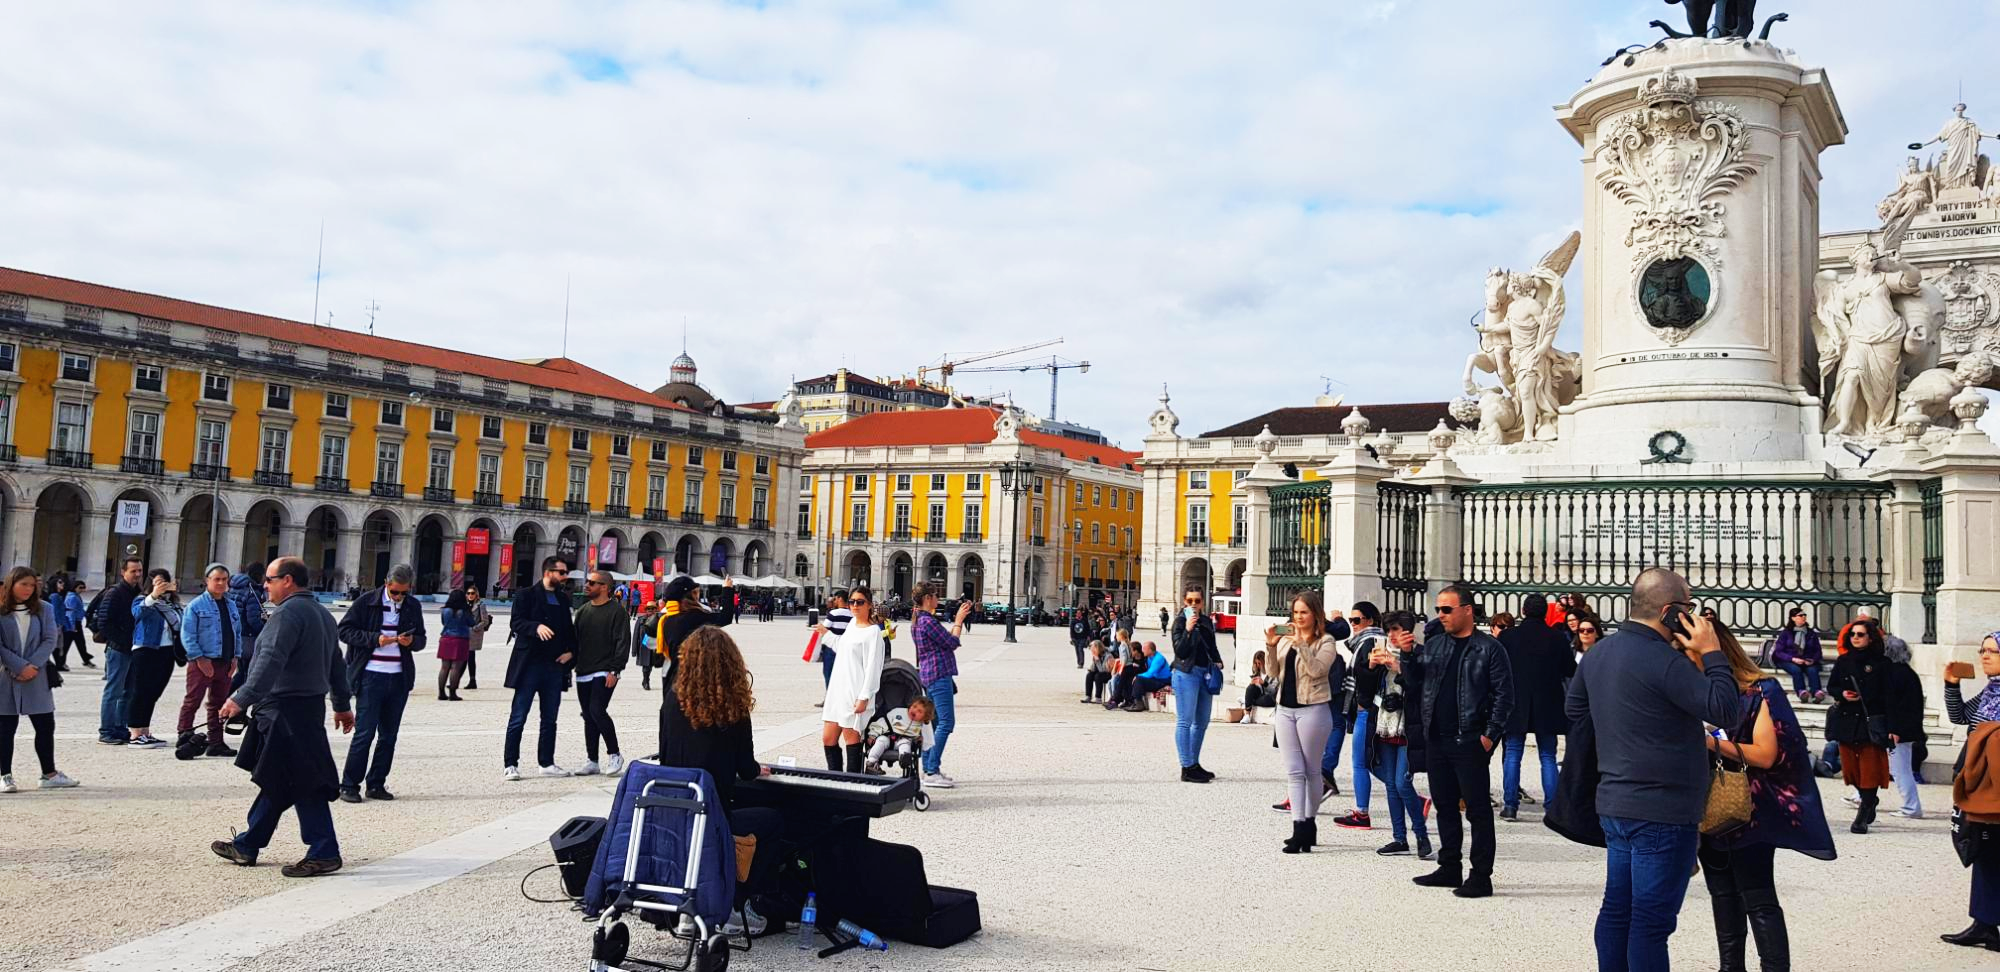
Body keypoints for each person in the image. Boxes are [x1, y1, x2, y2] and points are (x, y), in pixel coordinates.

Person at [1565, 568, 1740, 972]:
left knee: (1617, 909)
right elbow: (1725, 708)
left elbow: (1574, 711)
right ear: (1669, 611)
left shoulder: (1600, 653)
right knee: (1649, 921)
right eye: (1689, 608)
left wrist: (1623, 725)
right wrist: (1712, 651)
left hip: (1615, 799)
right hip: (1664, 807)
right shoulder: (1666, 662)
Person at [1697, 616, 1835, 972]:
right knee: (1722, 895)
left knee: (1757, 896)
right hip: (1705, 807)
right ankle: (1730, 968)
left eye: (1688, 652)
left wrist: (1711, 742)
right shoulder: (1692, 693)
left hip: (1750, 808)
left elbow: (1766, 754)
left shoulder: (1759, 690)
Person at [211, 556, 351, 877]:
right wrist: (341, 704)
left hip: (285, 710)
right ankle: (248, 844)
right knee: (283, 778)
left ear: (288, 580)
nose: (265, 585)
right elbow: (336, 665)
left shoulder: (286, 615)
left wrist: (240, 698)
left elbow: (270, 660)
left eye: (270, 579)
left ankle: (324, 850)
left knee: (303, 780)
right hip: (309, 708)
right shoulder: (321, 614)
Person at [1382, 585, 1512, 899]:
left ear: (1467, 610)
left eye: (1447, 609)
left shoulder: (1489, 648)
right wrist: (1408, 655)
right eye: (1438, 609)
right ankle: (1449, 865)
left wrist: (1488, 736)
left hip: (1469, 740)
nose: (1440, 615)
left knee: (1478, 810)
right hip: (1437, 739)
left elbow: (1504, 696)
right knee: (1444, 805)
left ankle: (1481, 876)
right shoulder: (1436, 645)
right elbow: (1414, 685)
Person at [655, 626, 785, 935]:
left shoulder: (671, 701)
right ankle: (737, 903)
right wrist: (758, 769)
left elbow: (664, 755)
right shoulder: (732, 706)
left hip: (674, 814)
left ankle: (693, 907)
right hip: (712, 817)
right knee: (774, 822)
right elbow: (747, 769)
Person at [335, 564, 427, 803]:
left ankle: (376, 783)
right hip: (370, 675)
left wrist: (411, 642)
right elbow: (344, 631)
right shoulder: (367, 601)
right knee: (364, 734)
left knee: (389, 736)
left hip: (399, 677)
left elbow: (422, 640)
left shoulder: (412, 606)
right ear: (386, 583)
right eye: (395, 592)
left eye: (404, 593)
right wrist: (374, 639)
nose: (399, 597)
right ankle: (349, 784)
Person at [1265, 591, 1342, 852]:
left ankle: (1308, 825)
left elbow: (1318, 670)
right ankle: (1299, 828)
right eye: (1295, 612)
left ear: (1315, 615)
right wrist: (1272, 646)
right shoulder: (1286, 640)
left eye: (1304, 612)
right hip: (1285, 710)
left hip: (1313, 710)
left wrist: (1302, 645)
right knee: (1294, 770)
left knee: (1311, 770)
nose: (1298, 617)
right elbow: (1273, 672)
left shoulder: (1327, 642)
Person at [1941, 634, 2000, 952]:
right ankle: (1985, 923)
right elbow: (1959, 717)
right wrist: (1952, 685)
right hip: (1981, 784)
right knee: (1985, 851)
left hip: (1996, 785)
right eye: (1983, 650)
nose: (1985, 656)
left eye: (1993, 651)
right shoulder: (1992, 690)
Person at [0, 567, 79, 791]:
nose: (28, 589)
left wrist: (32, 665)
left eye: (32, 585)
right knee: (6, 727)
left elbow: (49, 639)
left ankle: (49, 773)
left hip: (36, 674)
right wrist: (19, 665)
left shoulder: (44, 608)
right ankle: (5, 774)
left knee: (45, 725)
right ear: (11, 584)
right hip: (6, 674)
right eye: (23, 584)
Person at [1499, 594, 1575, 821]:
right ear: (1545, 613)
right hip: (1547, 700)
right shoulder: (1557, 637)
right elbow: (1569, 669)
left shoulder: (1508, 636)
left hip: (1516, 700)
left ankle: (1510, 805)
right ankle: (1551, 806)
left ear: (1523, 611)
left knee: (1512, 753)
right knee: (1548, 755)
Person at [505, 557, 578, 780]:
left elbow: (569, 630)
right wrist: (535, 627)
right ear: (548, 572)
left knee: (550, 718)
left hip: (554, 666)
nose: (566, 577)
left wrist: (571, 652)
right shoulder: (526, 594)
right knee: (518, 716)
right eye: (562, 572)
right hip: (529, 665)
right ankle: (510, 764)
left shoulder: (563, 599)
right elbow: (515, 622)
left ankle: (546, 762)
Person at [1367, 611, 1430, 860]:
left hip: (1409, 727)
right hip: (1383, 724)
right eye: (1388, 631)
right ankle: (1399, 838)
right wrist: (1371, 667)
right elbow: (1365, 692)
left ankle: (1422, 834)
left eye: (1395, 630)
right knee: (1392, 784)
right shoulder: (1381, 652)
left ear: (1408, 632)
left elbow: (1422, 688)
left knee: (1403, 783)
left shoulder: (1421, 654)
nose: (1391, 636)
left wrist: (1400, 667)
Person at [1828, 618, 1892, 834]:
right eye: (1852, 634)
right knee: (1851, 770)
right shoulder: (1843, 660)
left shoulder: (1882, 664)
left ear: (1870, 637)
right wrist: (1843, 694)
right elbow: (1832, 686)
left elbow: (1889, 694)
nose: (1855, 637)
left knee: (1870, 768)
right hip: (1847, 718)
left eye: (1860, 634)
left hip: (1870, 718)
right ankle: (1869, 800)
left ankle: (1862, 814)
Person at [178, 564, 244, 758]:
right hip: (202, 662)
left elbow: (236, 633)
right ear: (207, 581)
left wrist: (235, 657)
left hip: (225, 661)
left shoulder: (231, 605)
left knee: (219, 703)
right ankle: (184, 736)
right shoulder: (196, 606)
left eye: (224, 580)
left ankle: (216, 742)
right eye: (217, 579)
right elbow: (188, 635)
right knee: (193, 700)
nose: (221, 583)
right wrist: (199, 658)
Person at [1330, 602, 1386, 830]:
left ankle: (1362, 813)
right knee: (1369, 762)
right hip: (1368, 709)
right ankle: (1410, 796)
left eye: (1357, 620)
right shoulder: (1370, 641)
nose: (1353, 625)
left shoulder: (1368, 643)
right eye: (1351, 621)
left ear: (1370, 620)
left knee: (1360, 763)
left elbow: (1366, 679)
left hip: (1366, 709)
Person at [571, 570, 632, 777]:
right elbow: (575, 641)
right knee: (588, 715)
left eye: (592, 583)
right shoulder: (583, 611)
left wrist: (615, 670)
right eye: (587, 582)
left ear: (604, 587)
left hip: (605, 669)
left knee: (597, 710)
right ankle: (592, 760)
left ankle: (615, 754)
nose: (587, 585)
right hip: (583, 670)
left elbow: (622, 642)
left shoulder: (617, 612)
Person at [820, 586, 887, 773]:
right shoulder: (851, 625)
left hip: (855, 691)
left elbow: (874, 668)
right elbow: (842, 647)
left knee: (851, 739)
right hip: (838, 689)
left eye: (860, 602)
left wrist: (864, 697)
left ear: (869, 605)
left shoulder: (873, 633)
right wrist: (825, 635)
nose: (855, 606)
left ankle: (852, 782)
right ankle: (835, 779)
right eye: (852, 602)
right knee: (828, 738)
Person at [910, 582, 969, 788]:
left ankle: (928, 768)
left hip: (928, 674)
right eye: (936, 595)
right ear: (927, 598)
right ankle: (932, 770)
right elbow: (952, 643)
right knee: (946, 723)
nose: (938, 599)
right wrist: (959, 621)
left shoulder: (917, 620)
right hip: (938, 675)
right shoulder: (927, 622)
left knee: (932, 724)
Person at [1170, 588, 1224, 783]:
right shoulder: (1179, 622)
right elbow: (1181, 651)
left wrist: (1218, 660)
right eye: (1190, 600)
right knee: (1185, 721)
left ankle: (1194, 762)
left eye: (1197, 600)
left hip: (1205, 673)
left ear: (1202, 602)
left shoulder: (1207, 621)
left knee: (1202, 722)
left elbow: (1212, 646)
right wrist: (1187, 630)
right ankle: (1186, 767)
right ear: (1184, 601)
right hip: (1186, 673)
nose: (1193, 604)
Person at [126, 568, 183, 748]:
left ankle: (145, 730)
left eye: (164, 582)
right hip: (146, 649)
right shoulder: (142, 600)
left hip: (167, 651)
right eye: (158, 582)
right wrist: (153, 595)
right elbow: (137, 613)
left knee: (154, 692)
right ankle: (135, 733)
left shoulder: (172, 604)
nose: (162, 585)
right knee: (140, 691)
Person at [95, 558, 144, 745]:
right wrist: (123, 640)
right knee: (113, 690)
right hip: (118, 649)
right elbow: (104, 622)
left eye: (139, 571)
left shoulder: (137, 593)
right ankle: (106, 730)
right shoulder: (115, 592)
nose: (137, 574)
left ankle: (120, 727)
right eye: (133, 571)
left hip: (133, 649)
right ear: (123, 572)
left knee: (129, 691)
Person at [656, 576, 733, 683]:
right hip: (692, 677)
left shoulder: (666, 620)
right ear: (689, 596)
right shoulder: (695, 617)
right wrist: (727, 589)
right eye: (696, 593)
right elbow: (726, 617)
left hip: (671, 676)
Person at [1884, 637, 1927, 820]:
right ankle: (1860, 795)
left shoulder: (1895, 674)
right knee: (1887, 765)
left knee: (1900, 770)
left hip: (1899, 730)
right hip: (1905, 728)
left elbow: (1894, 705)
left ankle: (1911, 807)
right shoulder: (1907, 673)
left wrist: (1894, 729)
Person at [1771, 608, 1826, 704]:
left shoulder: (1810, 633)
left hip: (1806, 659)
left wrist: (1812, 660)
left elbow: (1817, 651)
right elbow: (1778, 652)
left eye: (1804, 615)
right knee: (1796, 670)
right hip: (1788, 660)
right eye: (1800, 615)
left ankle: (1816, 692)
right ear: (1793, 618)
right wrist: (1792, 659)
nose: (1803, 617)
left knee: (1812, 670)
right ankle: (1801, 692)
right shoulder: (1786, 633)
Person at [1109, 641, 1169, 710]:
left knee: (1139, 679)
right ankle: (1130, 701)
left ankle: (1138, 703)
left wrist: (1138, 676)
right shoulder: (1149, 657)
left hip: (1163, 681)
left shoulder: (1158, 658)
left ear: (1150, 650)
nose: (1142, 650)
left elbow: (1150, 673)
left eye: (1144, 649)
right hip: (1155, 679)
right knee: (1129, 677)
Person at [436, 588, 472, 701]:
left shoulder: (445, 610)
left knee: (444, 667)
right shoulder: (465, 611)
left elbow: (443, 622)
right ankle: (452, 692)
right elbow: (471, 622)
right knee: (456, 667)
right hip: (460, 638)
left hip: (446, 638)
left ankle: (441, 692)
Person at [56, 577, 92, 670]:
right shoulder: (72, 598)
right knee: (66, 644)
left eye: (83, 587)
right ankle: (61, 663)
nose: (82, 590)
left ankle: (86, 658)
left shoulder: (75, 596)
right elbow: (71, 612)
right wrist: (72, 626)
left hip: (76, 622)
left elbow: (78, 610)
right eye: (80, 587)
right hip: (73, 623)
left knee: (80, 642)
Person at [816, 590, 851, 687]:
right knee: (843, 675)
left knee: (829, 673)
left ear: (840, 599)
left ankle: (829, 698)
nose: (834, 601)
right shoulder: (852, 614)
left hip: (831, 648)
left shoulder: (833, 613)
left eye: (835, 599)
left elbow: (824, 629)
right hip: (845, 647)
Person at [463, 585, 492, 690]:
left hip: (474, 635)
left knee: (470, 657)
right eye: (468, 593)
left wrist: (475, 628)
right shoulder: (465, 605)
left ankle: (472, 680)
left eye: (472, 593)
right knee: (462, 658)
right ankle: (457, 679)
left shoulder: (480, 605)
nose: (470, 595)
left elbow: (485, 621)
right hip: (464, 634)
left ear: (476, 595)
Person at [633, 600, 660, 691]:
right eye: (649, 609)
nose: (651, 610)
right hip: (643, 646)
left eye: (653, 609)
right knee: (646, 666)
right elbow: (636, 635)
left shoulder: (659, 620)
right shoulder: (641, 620)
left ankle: (646, 679)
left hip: (654, 645)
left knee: (650, 665)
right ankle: (646, 681)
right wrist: (634, 650)